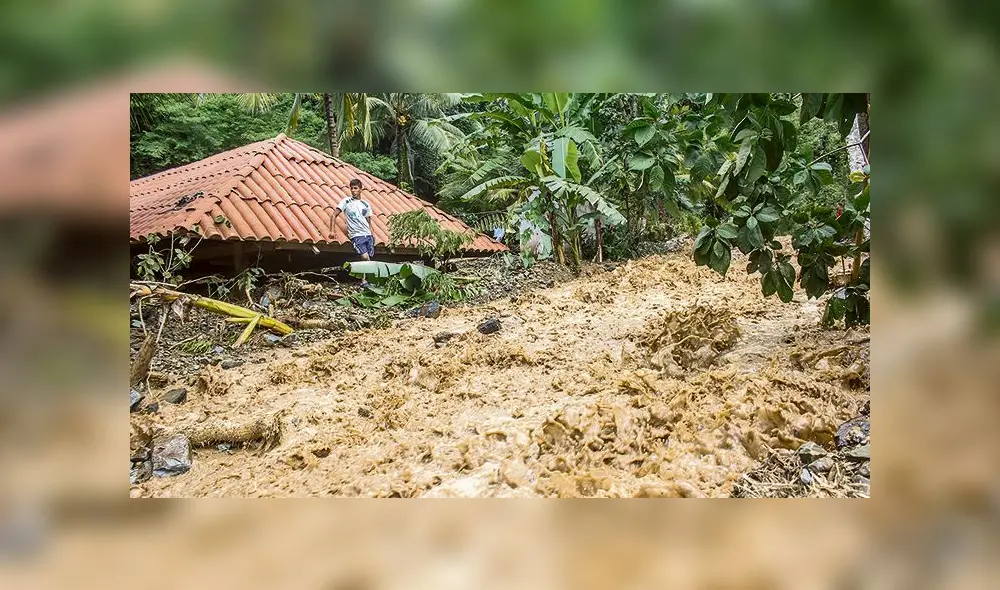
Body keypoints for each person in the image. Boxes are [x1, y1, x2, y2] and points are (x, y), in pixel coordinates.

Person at [330, 178, 375, 285]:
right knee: (365, 257)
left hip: (367, 234)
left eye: (356, 188)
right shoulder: (346, 201)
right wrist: (332, 230)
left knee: (369, 258)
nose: (353, 191)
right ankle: (364, 281)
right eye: (352, 189)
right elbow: (333, 215)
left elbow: (368, 220)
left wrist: (372, 234)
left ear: (360, 189)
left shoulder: (365, 204)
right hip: (356, 234)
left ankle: (367, 280)